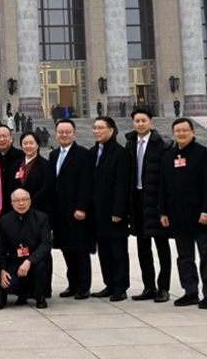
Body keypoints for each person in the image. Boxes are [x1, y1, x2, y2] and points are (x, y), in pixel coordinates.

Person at [158, 117, 207, 309]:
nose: (181, 134)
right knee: (184, 256)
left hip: (201, 215)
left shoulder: (204, 154)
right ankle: (190, 291)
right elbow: (163, 187)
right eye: (178, 131)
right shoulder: (168, 156)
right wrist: (163, 212)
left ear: (192, 132)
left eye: (185, 130)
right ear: (173, 133)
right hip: (178, 215)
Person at [126, 107, 172, 303]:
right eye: (137, 121)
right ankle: (148, 286)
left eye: (143, 120)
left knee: (161, 246)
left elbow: (165, 178)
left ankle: (164, 288)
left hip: (155, 200)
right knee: (142, 247)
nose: (140, 124)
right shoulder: (129, 144)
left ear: (150, 122)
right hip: (137, 200)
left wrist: (164, 207)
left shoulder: (162, 145)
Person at [49, 118, 95, 300]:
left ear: (74, 134)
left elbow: (87, 183)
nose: (64, 135)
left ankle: (84, 286)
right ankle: (73, 284)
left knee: (80, 250)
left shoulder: (83, 154)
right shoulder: (53, 155)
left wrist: (82, 207)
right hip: (60, 211)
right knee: (66, 249)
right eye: (60, 132)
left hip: (77, 211)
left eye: (67, 132)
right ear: (55, 134)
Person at [90, 116, 131, 301]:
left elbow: (123, 185)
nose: (97, 131)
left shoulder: (120, 153)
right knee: (104, 251)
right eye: (95, 128)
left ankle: (120, 286)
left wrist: (118, 211)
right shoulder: (92, 152)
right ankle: (109, 283)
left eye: (101, 128)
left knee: (118, 251)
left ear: (111, 130)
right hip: (97, 212)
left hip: (114, 212)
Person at [0, 189, 53, 309]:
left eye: (24, 200)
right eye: (17, 200)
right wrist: (2, 269)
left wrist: (29, 261)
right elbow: (1, 248)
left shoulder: (41, 218)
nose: (21, 203)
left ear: (30, 201)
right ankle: (22, 293)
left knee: (41, 266)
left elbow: (46, 244)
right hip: (15, 262)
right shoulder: (5, 221)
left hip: (36, 261)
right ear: (11, 203)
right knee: (7, 285)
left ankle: (39, 296)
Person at [5, 131, 53, 221]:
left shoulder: (45, 165)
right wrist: (17, 202)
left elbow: (46, 188)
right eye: (25, 143)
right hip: (17, 210)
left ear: (37, 145)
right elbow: (10, 185)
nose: (28, 146)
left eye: (31, 143)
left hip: (38, 210)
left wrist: (28, 202)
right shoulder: (17, 164)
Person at [0, 124, 25, 216]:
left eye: (5, 136)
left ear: (11, 138)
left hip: (17, 206)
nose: (2, 139)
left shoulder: (21, 156)